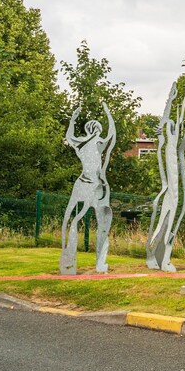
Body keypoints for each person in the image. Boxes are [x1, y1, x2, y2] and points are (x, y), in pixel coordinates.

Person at [60, 102, 116, 275]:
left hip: (91, 184)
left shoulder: (81, 143)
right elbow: (111, 135)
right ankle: (83, 262)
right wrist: (108, 114)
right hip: (93, 186)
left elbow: (70, 136)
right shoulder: (95, 143)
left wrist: (73, 119)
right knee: (92, 222)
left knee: (77, 219)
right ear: (97, 130)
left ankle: (89, 263)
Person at [146, 82, 185, 272]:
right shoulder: (165, 143)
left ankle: (161, 257)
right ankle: (161, 258)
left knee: (173, 218)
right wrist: (171, 100)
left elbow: (183, 123)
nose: (172, 126)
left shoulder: (175, 143)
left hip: (176, 185)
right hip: (170, 188)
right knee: (168, 218)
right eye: (169, 125)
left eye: (173, 125)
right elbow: (167, 119)